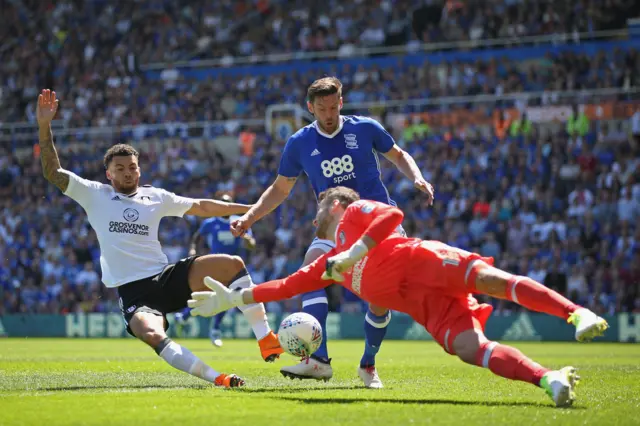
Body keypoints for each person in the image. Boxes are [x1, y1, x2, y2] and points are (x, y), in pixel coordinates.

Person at [191, 187, 608, 406]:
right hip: (423, 305)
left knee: (495, 281)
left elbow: (394, 215)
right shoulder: (328, 263)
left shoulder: (353, 213)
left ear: (335, 204)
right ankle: (547, 379)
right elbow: (284, 286)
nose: (315, 213)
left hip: (427, 261)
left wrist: (357, 250)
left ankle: (575, 314)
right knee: (469, 348)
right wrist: (234, 299)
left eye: (320, 204)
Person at [36, 89, 282, 388]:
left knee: (232, 263)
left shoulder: (156, 196)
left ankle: (266, 337)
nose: (129, 173)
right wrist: (44, 125)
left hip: (166, 278)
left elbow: (202, 206)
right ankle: (218, 378)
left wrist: (253, 210)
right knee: (153, 334)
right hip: (135, 294)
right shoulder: (93, 194)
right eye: (120, 169)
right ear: (108, 174)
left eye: (133, 167)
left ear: (139, 168)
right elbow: (52, 172)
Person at [230, 77, 434, 387]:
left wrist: (417, 178)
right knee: (310, 272)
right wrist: (250, 216)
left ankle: (368, 364)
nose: (328, 114)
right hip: (333, 224)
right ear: (310, 108)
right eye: (321, 108)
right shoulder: (299, 142)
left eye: (333, 106)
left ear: (341, 102)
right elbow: (280, 188)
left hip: (377, 222)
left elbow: (399, 155)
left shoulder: (364, 128)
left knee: (379, 300)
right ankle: (319, 361)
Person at [175, 193, 257, 347]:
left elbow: (252, 244)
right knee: (209, 294)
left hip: (233, 267)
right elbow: (197, 237)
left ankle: (200, 323)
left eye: (227, 203)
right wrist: (193, 250)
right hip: (214, 264)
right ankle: (191, 319)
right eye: (222, 203)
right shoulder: (210, 223)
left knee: (229, 297)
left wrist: (247, 240)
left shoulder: (239, 222)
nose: (225, 206)